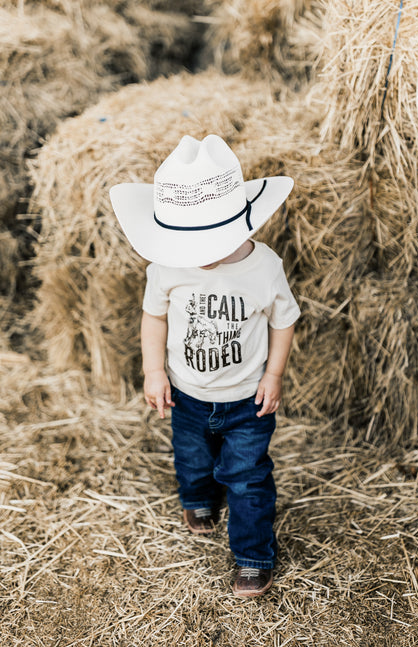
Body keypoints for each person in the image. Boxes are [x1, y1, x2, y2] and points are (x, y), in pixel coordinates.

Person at [110, 134, 300, 598]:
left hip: (247, 401)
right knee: (192, 457)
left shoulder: (265, 268)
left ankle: (254, 556)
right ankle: (197, 499)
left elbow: (284, 321)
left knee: (248, 477)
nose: (196, 255)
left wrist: (273, 375)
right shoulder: (167, 266)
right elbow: (153, 316)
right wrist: (154, 371)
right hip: (187, 393)